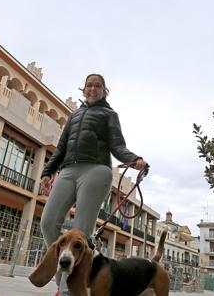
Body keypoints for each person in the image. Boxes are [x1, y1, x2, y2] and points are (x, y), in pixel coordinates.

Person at [39, 73, 147, 294]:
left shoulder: (109, 114)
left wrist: (134, 159)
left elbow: (117, 145)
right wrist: (47, 172)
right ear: (83, 89)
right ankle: (66, 278)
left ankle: (68, 289)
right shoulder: (74, 115)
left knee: (81, 231)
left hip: (96, 170)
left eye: (98, 86)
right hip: (68, 169)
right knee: (48, 222)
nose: (93, 88)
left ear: (104, 91)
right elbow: (61, 148)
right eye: (89, 85)